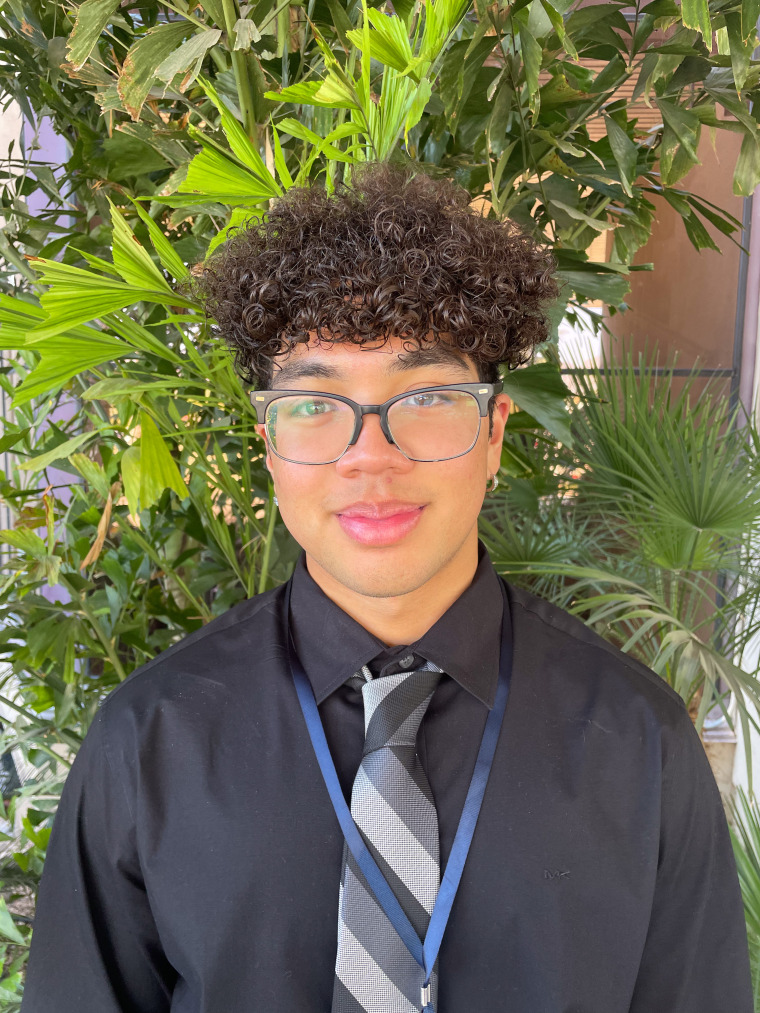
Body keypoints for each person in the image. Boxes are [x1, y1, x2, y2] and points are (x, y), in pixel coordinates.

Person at [20, 161, 753, 1013]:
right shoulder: (148, 741)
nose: (370, 454)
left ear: (493, 431)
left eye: (428, 395)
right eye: (316, 405)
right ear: (269, 445)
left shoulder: (641, 742)